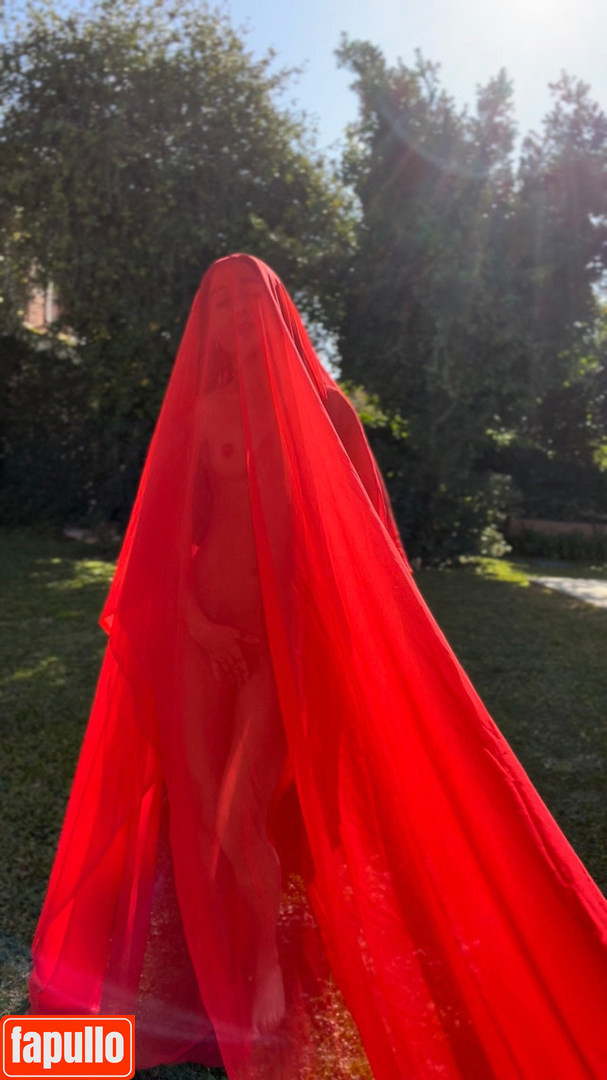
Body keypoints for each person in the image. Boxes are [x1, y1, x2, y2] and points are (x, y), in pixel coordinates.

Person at [29, 253, 607, 1080]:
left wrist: (313, 638)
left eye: (247, 299)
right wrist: (194, 623)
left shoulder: (326, 412)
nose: (234, 315)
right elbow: (172, 538)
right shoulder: (204, 409)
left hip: (283, 646)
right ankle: (209, 1003)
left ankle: (268, 973)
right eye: (220, 303)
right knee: (196, 818)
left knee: (243, 814)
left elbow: (361, 547)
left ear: (276, 310)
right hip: (203, 636)